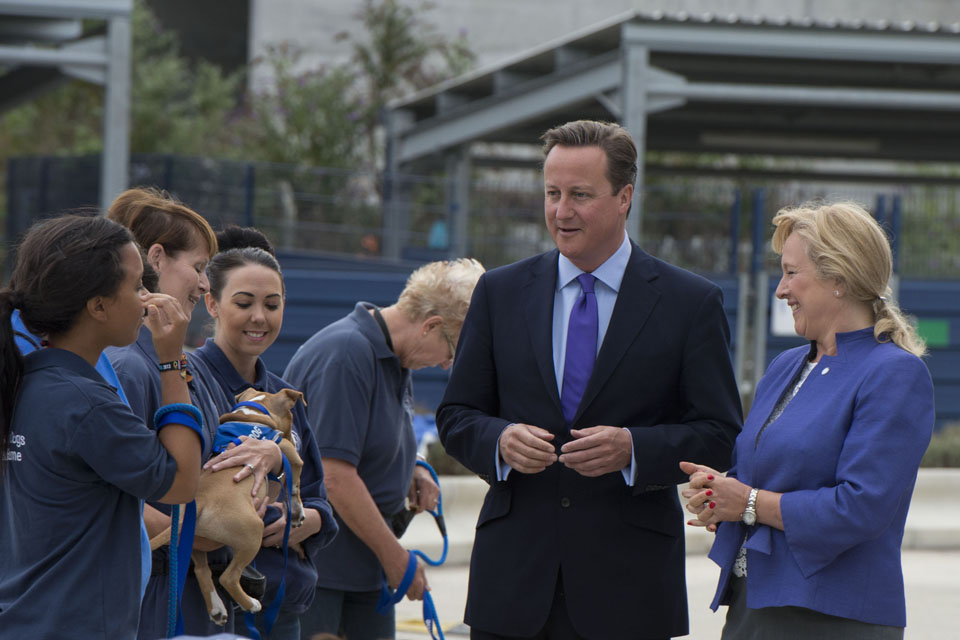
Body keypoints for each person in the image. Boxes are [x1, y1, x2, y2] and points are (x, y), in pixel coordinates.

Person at [435, 120, 743, 639]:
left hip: (629, 591)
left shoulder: (689, 303)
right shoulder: (500, 292)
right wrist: (500, 440)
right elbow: (457, 415)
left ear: (624, 197)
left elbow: (719, 433)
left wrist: (633, 450)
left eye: (580, 195)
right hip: (512, 586)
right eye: (552, 193)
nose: (561, 211)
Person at [681, 202, 935, 639]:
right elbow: (754, 479)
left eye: (791, 273)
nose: (780, 290)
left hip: (833, 617)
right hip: (754, 606)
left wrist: (747, 502)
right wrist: (718, 496)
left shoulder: (895, 373)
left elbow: (860, 507)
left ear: (838, 279)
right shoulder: (785, 365)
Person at [0, 214, 202, 639]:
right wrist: (171, 360)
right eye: (136, 286)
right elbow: (182, 482)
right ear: (98, 306)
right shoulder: (86, 405)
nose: (148, 297)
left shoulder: (28, 380)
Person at [105, 188, 283, 639]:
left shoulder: (182, 368)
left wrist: (270, 456)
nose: (206, 285)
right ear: (158, 259)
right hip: (156, 592)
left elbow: (217, 462)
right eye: (201, 269)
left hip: (192, 587)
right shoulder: (129, 368)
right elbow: (110, 493)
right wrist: (204, 532)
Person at [284, 258, 485, 640]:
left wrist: (415, 466)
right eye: (451, 351)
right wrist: (397, 559)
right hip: (323, 577)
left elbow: (370, 437)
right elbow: (335, 475)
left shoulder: (394, 357)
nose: (446, 365)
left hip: (362, 571)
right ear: (431, 326)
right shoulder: (346, 355)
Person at [189, 229, 338, 640]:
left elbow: (319, 496)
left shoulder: (284, 397)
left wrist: (307, 522)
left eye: (272, 305)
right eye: (244, 303)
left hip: (281, 607)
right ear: (212, 304)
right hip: (209, 607)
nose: (260, 317)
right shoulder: (186, 380)